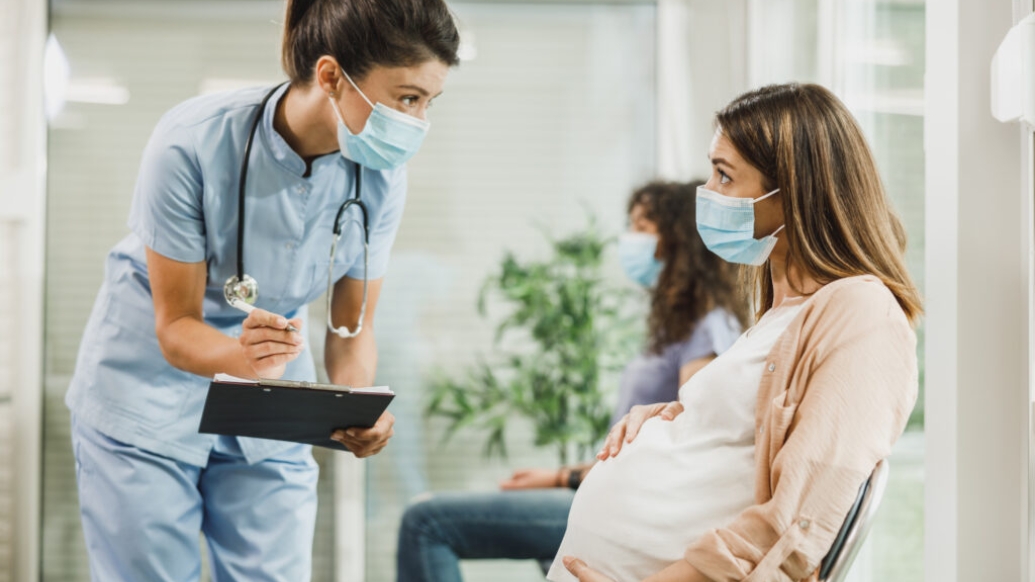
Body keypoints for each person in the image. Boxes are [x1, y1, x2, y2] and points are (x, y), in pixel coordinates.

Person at [64, 1, 460, 580]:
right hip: (145, 393)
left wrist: (359, 408)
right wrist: (242, 357)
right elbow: (174, 327)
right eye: (406, 98)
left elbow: (351, 331)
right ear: (330, 76)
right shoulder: (192, 141)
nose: (419, 120)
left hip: (268, 402)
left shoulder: (379, 176)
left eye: (428, 102)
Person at [550, 83, 923, 582]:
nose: (707, 192)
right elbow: (748, 434)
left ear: (792, 190)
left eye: (725, 176)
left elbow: (800, 520)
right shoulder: (780, 312)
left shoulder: (863, 313)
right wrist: (672, 418)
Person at [395, 181, 750, 582]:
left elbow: (688, 437)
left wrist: (565, 478)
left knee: (426, 523)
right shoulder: (679, 327)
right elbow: (632, 444)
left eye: (642, 226)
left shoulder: (709, 327)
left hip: (631, 506)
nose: (629, 239)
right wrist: (559, 475)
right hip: (607, 492)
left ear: (676, 237)